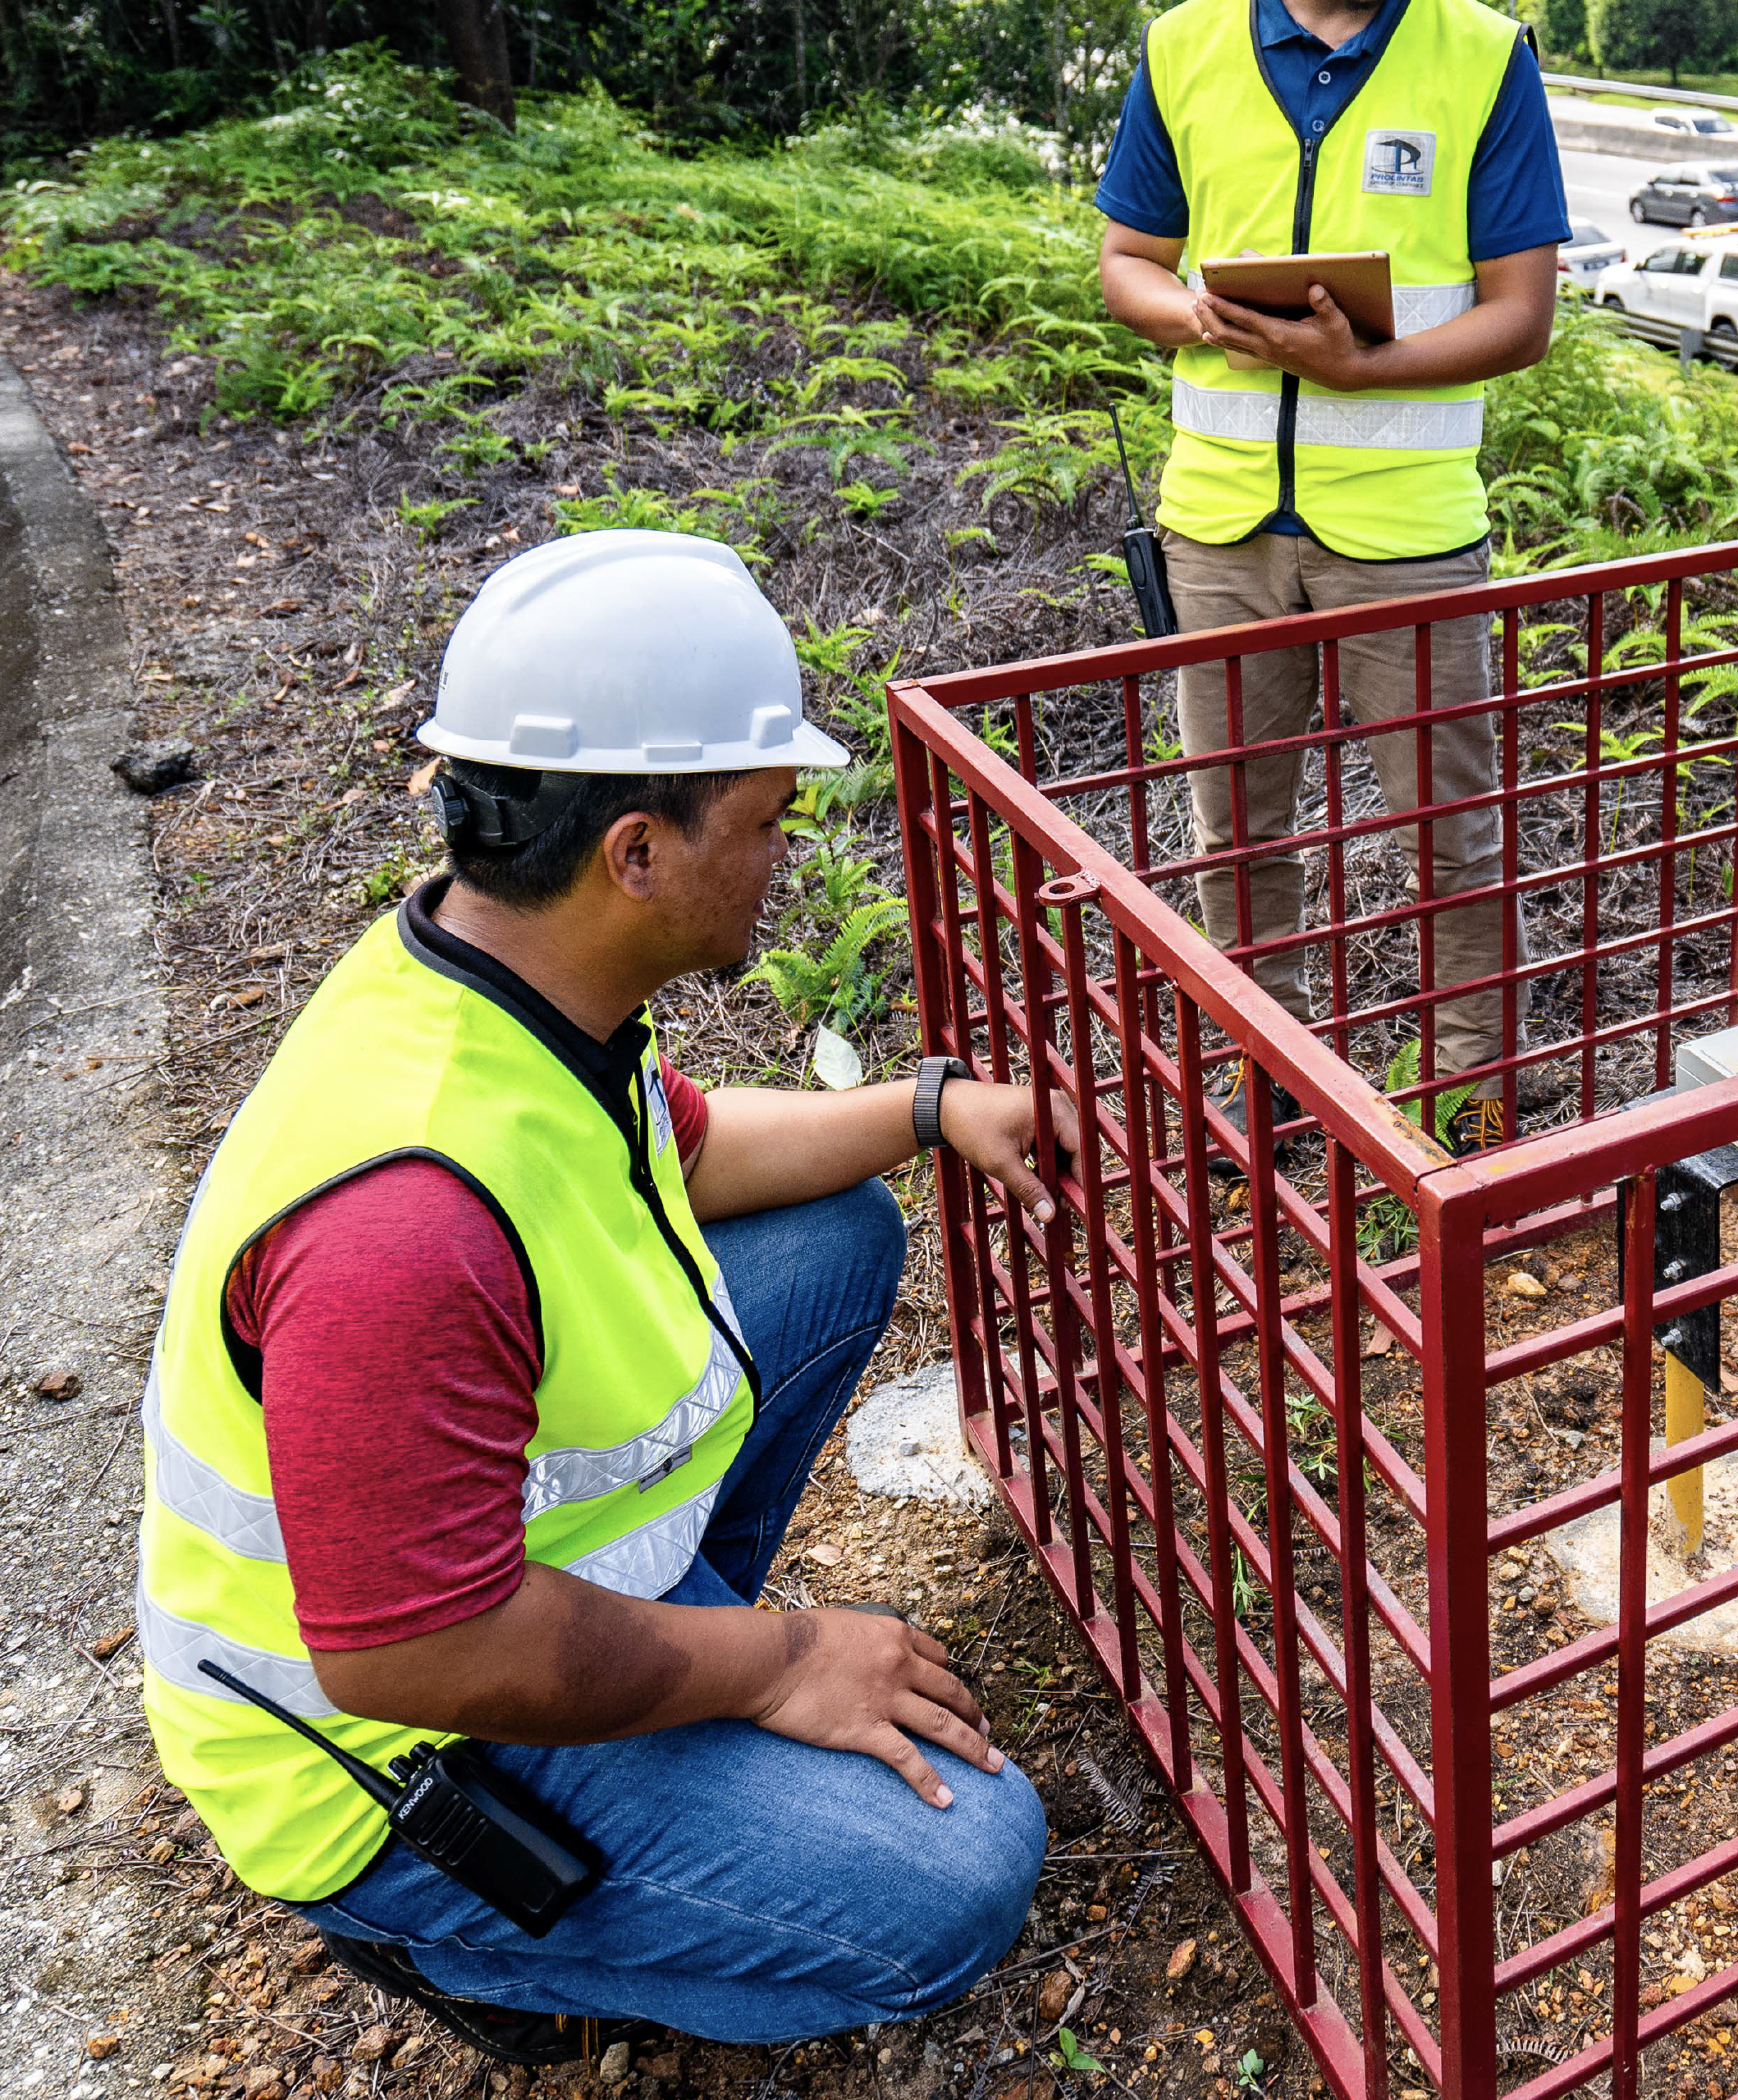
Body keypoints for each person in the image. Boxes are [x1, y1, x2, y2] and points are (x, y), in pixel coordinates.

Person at [135, 530, 1052, 2062]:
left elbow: (682, 1147)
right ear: (635, 849)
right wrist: (783, 1660)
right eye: (766, 822)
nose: (790, 855)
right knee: (963, 1870)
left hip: (516, 1580)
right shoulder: (402, 1229)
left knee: (832, 1231)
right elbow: (412, 1648)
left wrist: (925, 1107)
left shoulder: (500, 979)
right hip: (399, 1740)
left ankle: (668, 1652)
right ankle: (469, 1943)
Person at [1093, 0, 1571, 1156]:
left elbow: (1519, 312)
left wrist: (1364, 372)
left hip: (1407, 535)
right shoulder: (1180, 51)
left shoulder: (1483, 60)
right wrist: (1198, 316)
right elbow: (1124, 265)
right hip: (1225, 527)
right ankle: (1260, 1096)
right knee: (1240, 841)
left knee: (1450, 835)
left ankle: (1475, 1120)